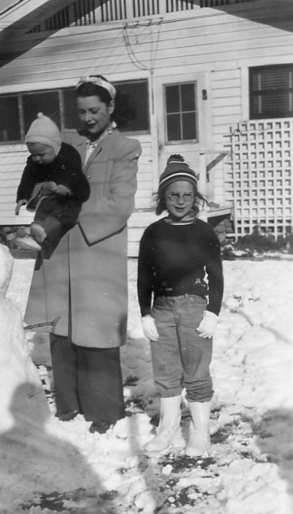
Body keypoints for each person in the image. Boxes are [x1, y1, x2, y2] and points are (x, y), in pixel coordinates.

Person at [25, 75, 142, 433]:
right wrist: (41, 198)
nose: (88, 118)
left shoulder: (125, 147)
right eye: (81, 111)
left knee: (97, 333)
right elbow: (40, 176)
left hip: (97, 251)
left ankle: (104, 411)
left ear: (110, 108)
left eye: (94, 110)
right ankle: (68, 404)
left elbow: (120, 205)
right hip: (59, 249)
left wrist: (74, 216)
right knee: (62, 332)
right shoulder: (68, 144)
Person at [137, 155, 224, 457]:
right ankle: (168, 430)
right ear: (163, 196)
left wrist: (213, 312)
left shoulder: (203, 231)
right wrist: (145, 313)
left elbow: (216, 276)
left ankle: (201, 433)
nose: (181, 200)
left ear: (195, 197)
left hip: (193, 307)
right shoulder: (154, 232)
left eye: (187, 195)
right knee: (166, 371)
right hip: (161, 308)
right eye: (174, 194)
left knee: (197, 371)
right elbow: (143, 276)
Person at [13, 113, 90, 257]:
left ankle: (42, 232)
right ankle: (36, 231)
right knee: (44, 207)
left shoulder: (69, 154)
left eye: (41, 155)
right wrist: (22, 196)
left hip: (74, 195)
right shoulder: (35, 161)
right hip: (54, 195)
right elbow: (28, 178)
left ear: (55, 146)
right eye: (33, 154)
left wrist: (66, 185)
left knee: (62, 213)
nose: (37, 159)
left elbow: (75, 172)